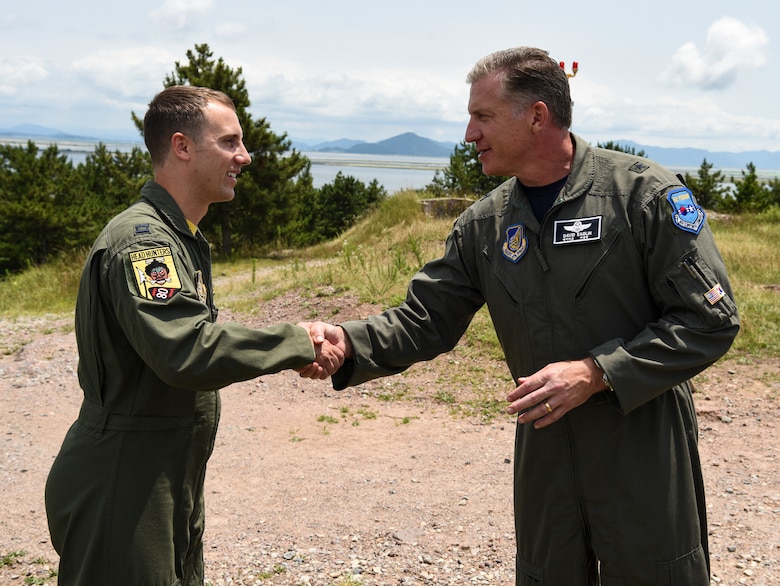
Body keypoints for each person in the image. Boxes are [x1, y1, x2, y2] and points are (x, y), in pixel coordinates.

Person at [300, 47, 739, 585]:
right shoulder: (483, 226)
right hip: (545, 444)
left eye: (482, 116)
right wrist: (347, 340)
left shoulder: (642, 196)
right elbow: (425, 319)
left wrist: (595, 373)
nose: (468, 134)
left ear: (536, 115)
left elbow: (709, 319)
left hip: (642, 440)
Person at [45, 85, 343, 586]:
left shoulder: (178, 235)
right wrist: (297, 342)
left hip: (164, 473)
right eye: (229, 142)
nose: (245, 157)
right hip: (126, 476)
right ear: (182, 147)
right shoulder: (144, 243)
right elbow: (184, 350)